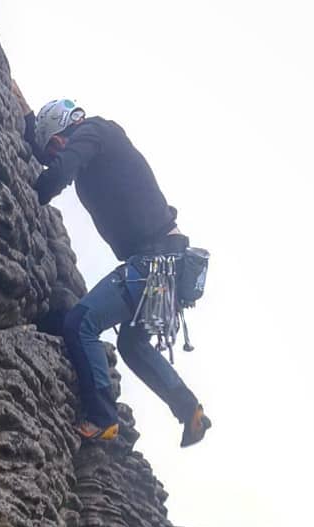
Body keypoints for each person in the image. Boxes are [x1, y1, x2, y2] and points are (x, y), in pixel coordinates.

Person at [15, 89, 212, 447]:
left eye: (56, 147)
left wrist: (29, 191)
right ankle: (190, 410)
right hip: (168, 264)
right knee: (132, 344)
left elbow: (57, 173)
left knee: (81, 323)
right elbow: (52, 155)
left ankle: (103, 418)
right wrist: (26, 113)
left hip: (153, 263)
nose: (55, 155)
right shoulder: (97, 140)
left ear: (62, 136)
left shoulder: (95, 130)